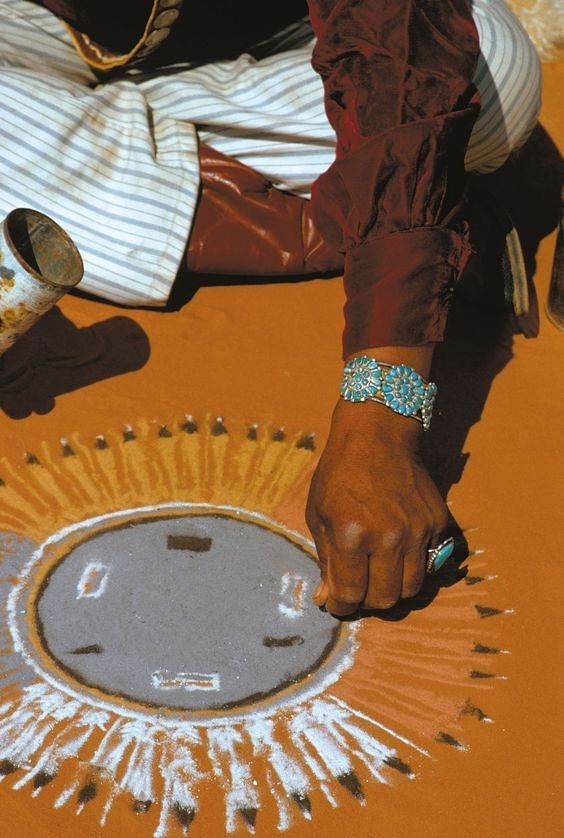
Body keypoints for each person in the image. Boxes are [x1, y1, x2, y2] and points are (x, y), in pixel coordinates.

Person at [0, 0, 541, 614]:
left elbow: (397, 51)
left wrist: (379, 419)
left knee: (494, 70)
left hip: (293, 40)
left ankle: (402, 219)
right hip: (36, 34)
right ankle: (423, 221)